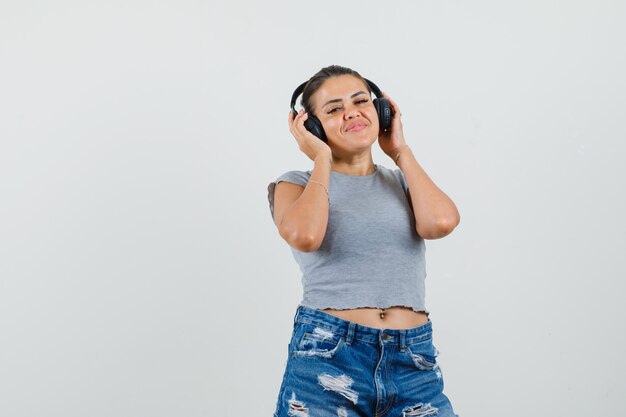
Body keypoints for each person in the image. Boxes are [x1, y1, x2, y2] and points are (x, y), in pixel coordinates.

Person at [267, 65, 461, 417]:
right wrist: (322, 158)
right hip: (328, 357)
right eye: (333, 109)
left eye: (360, 101)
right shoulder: (294, 184)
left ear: (382, 111)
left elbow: (442, 222)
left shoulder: (403, 183)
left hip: (412, 361)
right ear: (311, 127)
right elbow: (305, 235)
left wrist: (400, 151)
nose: (351, 112)